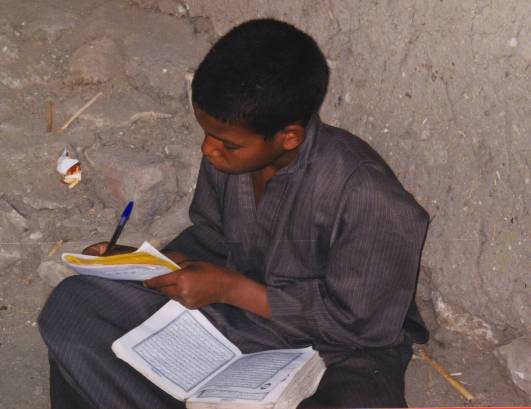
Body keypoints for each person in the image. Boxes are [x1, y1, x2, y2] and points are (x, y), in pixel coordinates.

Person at [38, 18, 429, 408]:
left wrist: (231, 289)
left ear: (289, 136)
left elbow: (363, 326)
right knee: (75, 308)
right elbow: (211, 238)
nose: (208, 150)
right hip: (235, 320)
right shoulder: (230, 159)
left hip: (338, 351)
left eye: (226, 143)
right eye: (206, 134)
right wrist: (151, 264)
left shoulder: (367, 195)